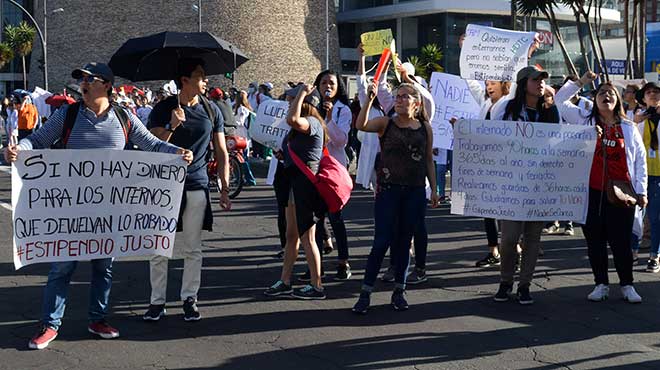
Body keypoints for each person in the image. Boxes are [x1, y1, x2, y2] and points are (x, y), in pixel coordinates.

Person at [3, 62, 192, 350]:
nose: (82, 84)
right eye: (80, 79)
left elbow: (152, 145)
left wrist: (178, 152)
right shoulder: (67, 115)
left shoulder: (124, 117)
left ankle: (98, 319)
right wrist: (19, 150)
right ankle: (50, 325)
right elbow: (38, 140)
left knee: (103, 269)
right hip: (70, 211)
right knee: (61, 269)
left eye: (88, 80)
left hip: (109, 212)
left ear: (105, 84)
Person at [144, 58, 231, 322]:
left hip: (196, 184)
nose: (206, 81)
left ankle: (189, 298)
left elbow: (222, 151)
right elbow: (152, 146)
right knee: (159, 247)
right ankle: (157, 301)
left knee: (193, 248)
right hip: (165, 185)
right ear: (184, 80)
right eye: (200, 76)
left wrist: (224, 188)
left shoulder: (211, 109)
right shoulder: (163, 109)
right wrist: (172, 126)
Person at [556, 71, 647, 303]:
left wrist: (641, 190)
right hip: (592, 193)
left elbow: (640, 160)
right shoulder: (584, 120)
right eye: (601, 93)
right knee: (595, 241)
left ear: (617, 100)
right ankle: (601, 284)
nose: (606, 95)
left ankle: (627, 285)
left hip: (622, 194)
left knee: (621, 243)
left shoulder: (627, 127)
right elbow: (560, 100)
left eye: (610, 93)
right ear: (595, 99)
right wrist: (582, 82)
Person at [352, 82, 439, 314]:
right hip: (388, 191)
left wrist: (435, 189)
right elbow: (360, 125)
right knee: (381, 242)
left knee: (403, 243)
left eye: (404, 97)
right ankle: (365, 293)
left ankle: (399, 291)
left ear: (416, 103)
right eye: (397, 96)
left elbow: (428, 160)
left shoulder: (424, 128)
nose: (399, 100)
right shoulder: (385, 124)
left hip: (415, 192)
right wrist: (369, 100)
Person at [489, 65, 560, 305]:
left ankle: (525, 285)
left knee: (533, 238)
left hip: (539, 184)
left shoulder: (551, 111)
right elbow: (492, 136)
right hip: (512, 184)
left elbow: (559, 142)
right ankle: (505, 281)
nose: (541, 83)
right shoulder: (508, 109)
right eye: (535, 79)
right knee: (508, 238)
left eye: (543, 80)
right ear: (523, 84)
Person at [263, 84, 328, 300]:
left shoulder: (311, 123)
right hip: (294, 184)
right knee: (292, 236)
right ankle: (285, 280)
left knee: (308, 237)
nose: (289, 103)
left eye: (292, 100)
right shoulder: (302, 127)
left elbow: (292, 119)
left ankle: (316, 286)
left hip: (306, 187)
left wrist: (301, 93)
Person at [306, 69, 353, 280]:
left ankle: (343, 262)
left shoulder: (343, 110)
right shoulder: (311, 108)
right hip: (315, 169)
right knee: (315, 219)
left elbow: (340, 141)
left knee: (336, 218)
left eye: (332, 83)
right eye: (324, 83)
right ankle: (316, 266)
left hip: (334, 170)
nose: (328, 87)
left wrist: (330, 119)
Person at [630, 82, 660, 273]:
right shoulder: (637, 119)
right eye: (649, 92)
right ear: (643, 98)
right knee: (634, 216)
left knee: (655, 217)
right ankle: (632, 252)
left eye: (656, 91)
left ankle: (654, 256)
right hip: (639, 174)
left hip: (658, 175)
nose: (653, 94)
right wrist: (636, 121)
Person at [232, 90, 257, 186]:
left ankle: (249, 179)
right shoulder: (245, 108)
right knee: (239, 159)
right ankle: (239, 178)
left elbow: (240, 122)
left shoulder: (241, 109)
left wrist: (231, 121)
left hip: (241, 137)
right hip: (242, 137)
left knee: (242, 159)